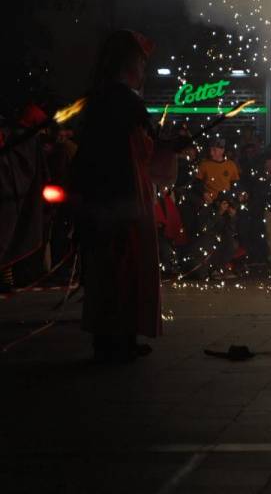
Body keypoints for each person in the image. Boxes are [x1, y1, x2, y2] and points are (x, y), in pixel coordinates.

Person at [69, 30, 180, 361]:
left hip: (108, 196)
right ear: (129, 63)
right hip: (122, 196)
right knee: (123, 268)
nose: (144, 69)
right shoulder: (124, 101)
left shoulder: (100, 99)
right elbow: (147, 145)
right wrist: (170, 146)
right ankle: (116, 340)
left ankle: (114, 339)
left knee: (112, 268)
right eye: (142, 62)